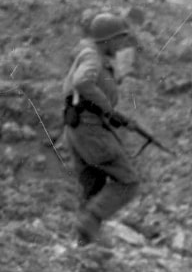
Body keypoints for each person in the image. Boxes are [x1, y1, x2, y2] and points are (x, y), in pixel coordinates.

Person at [61, 13, 142, 246]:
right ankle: (89, 223)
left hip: (79, 128)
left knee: (93, 185)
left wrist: (113, 116)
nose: (121, 45)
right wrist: (107, 109)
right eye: (119, 39)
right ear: (107, 39)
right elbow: (81, 82)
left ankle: (82, 243)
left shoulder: (91, 55)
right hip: (90, 130)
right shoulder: (93, 58)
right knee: (128, 182)